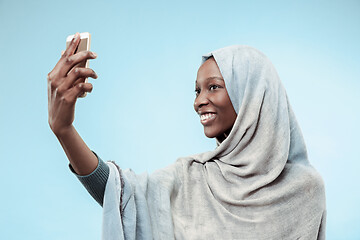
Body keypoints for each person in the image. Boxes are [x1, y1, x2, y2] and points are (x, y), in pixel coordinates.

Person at [47, 33, 326, 239]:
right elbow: (121, 195)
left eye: (213, 87)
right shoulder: (191, 178)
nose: (199, 102)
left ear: (253, 97)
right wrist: (64, 130)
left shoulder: (303, 189)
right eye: (197, 91)